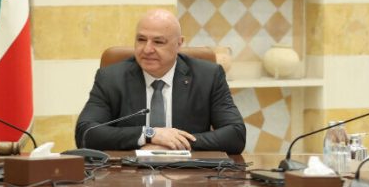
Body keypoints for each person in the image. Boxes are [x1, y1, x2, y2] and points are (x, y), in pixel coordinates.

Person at [75, 9, 246, 154]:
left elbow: (236, 135)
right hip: (129, 174)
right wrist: (149, 134)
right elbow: (86, 133)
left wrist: (175, 144)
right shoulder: (111, 78)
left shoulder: (208, 76)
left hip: (190, 174)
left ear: (179, 44)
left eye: (158, 42)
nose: (147, 49)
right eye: (141, 40)